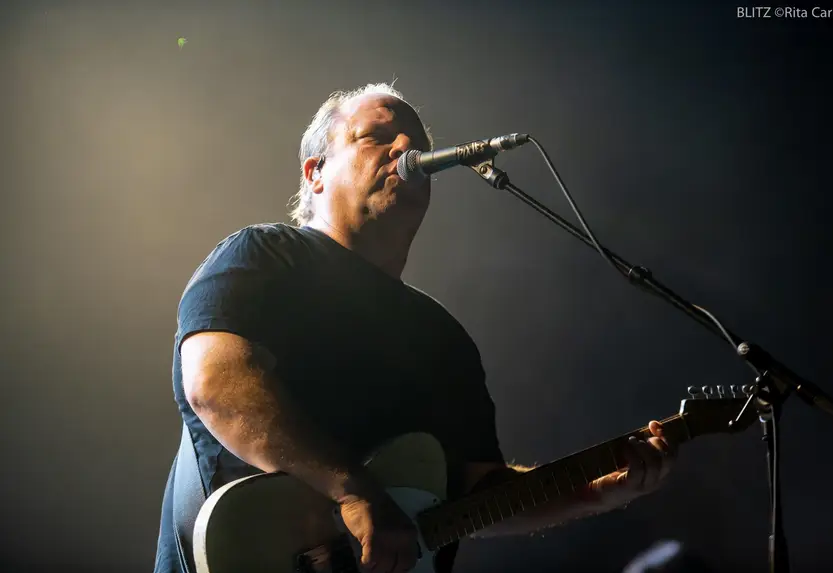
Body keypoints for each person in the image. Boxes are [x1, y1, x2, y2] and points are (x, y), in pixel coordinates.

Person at [153, 83, 677, 573]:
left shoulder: (444, 338)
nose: (405, 146)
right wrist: (354, 491)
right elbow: (216, 385)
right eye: (376, 137)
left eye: (417, 142)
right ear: (315, 172)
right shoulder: (264, 255)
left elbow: (476, 494)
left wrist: (599, 491)